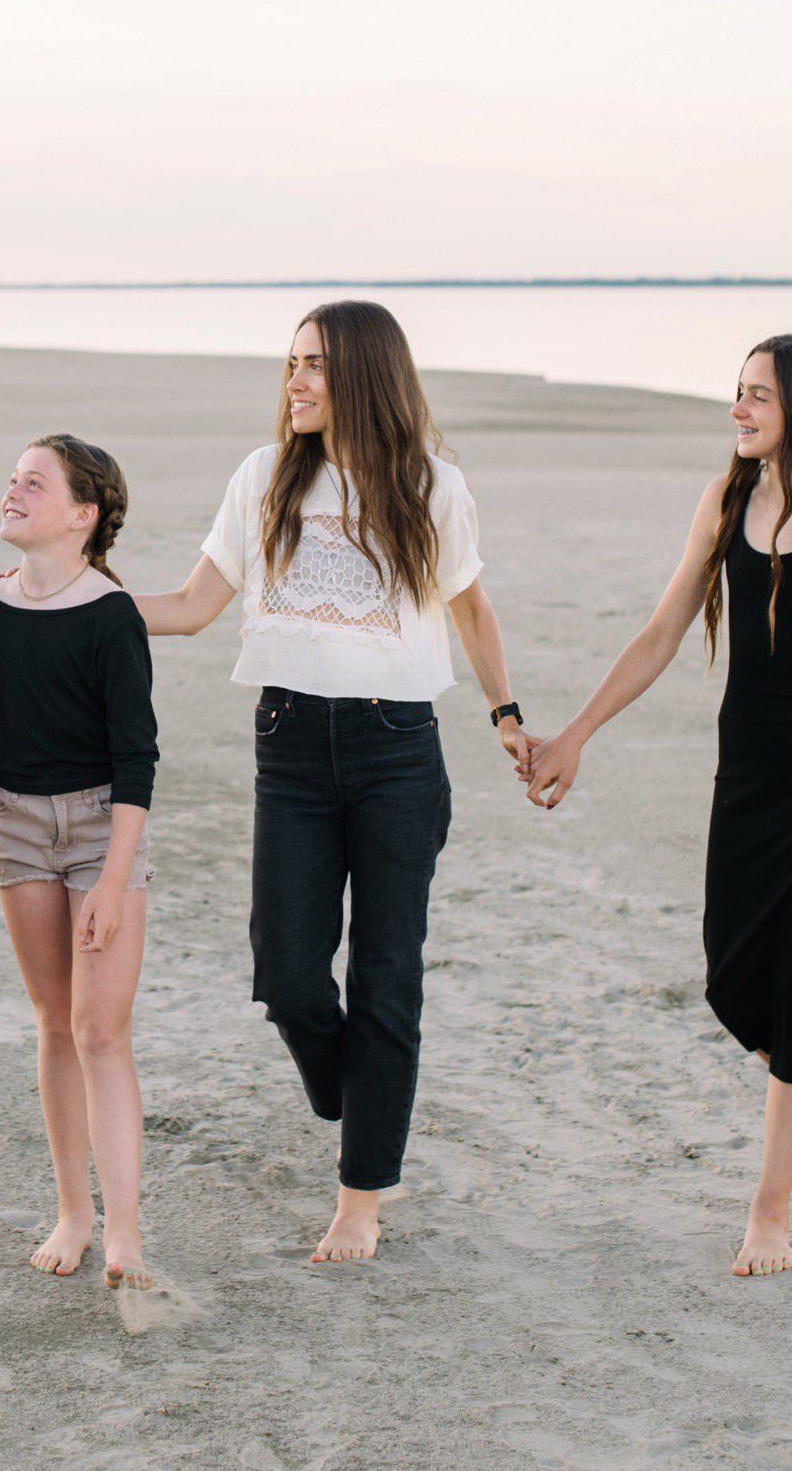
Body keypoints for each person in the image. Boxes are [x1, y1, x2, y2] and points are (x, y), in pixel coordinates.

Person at [520, 334, 792, 1276]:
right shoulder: (730, 498)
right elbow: (665, 630)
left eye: (757, 397)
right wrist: (576, 731)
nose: (738, 410)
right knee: (733, 982)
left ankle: (769, 1212)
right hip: (746, 772)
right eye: (736, 393)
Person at [134, 302, 531, 1264]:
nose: (296, 381)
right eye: (291, 364)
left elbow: (471, 608)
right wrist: (67, 600)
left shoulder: (433, 486)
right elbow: (191, 607)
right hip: (290, 743)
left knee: (387, 974)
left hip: (397, 747)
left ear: (363, 373)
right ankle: (353, 1093)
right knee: (285, 969)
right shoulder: (264, 478)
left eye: (314, 364)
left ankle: (361, 1198)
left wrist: (506, 713)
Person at [0, 434, 158, 1290]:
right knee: (54, 1021)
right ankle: (74, 1211)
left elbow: (138, 759)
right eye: (12, 478)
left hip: (104, 827)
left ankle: (126, 1231)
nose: (13, 490)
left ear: (83, 514)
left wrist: (110, 876)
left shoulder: (111, 615)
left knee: (102, 1028)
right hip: (16, 824)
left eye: (35, 481)